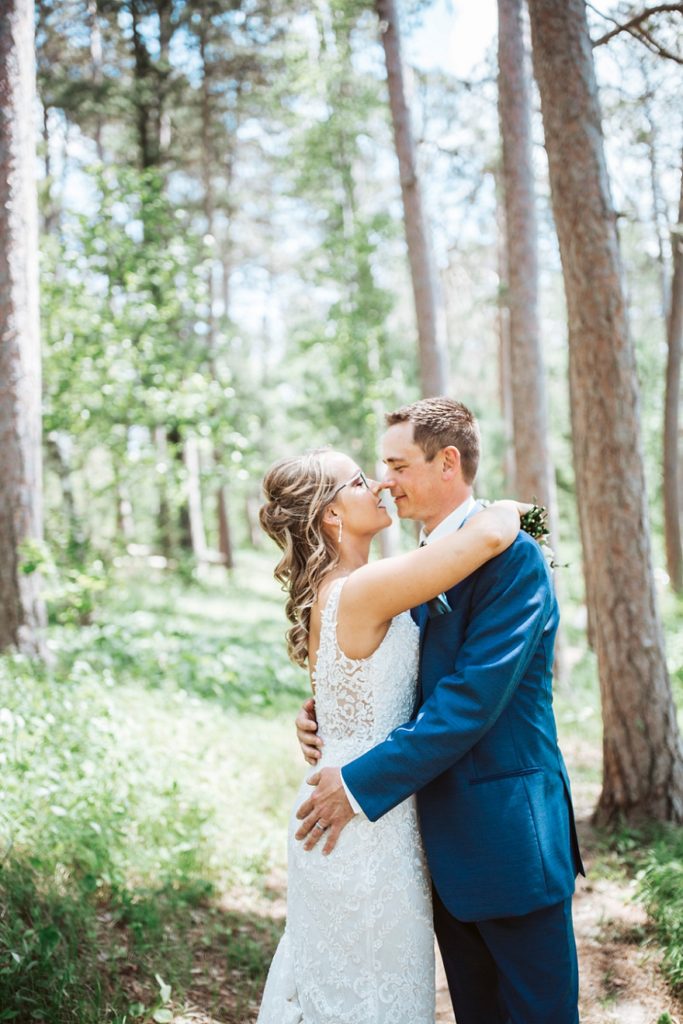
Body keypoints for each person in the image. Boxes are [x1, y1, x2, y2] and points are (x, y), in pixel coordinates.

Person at [295, 396, 584, 1024]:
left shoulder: (514, 560)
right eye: (379, 467)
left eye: (397, 465)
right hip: (430, 847)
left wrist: (358, 782)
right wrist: (329, 714)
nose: (385, 481)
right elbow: (389, 677)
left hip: (509, 838)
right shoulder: (415, 572)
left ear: (446, 461)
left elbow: (468, 703)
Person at [257, 441, 525, 1024]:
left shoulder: (345, 586)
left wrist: (316, 718)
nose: (379, 484)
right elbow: (485, 539)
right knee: (372, 995)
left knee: (369, 989)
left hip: (364, 799)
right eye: (358, 480)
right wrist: (509, 510)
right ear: (331, 515)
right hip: (358, 821)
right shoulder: (363, 588)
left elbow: (352, 690)